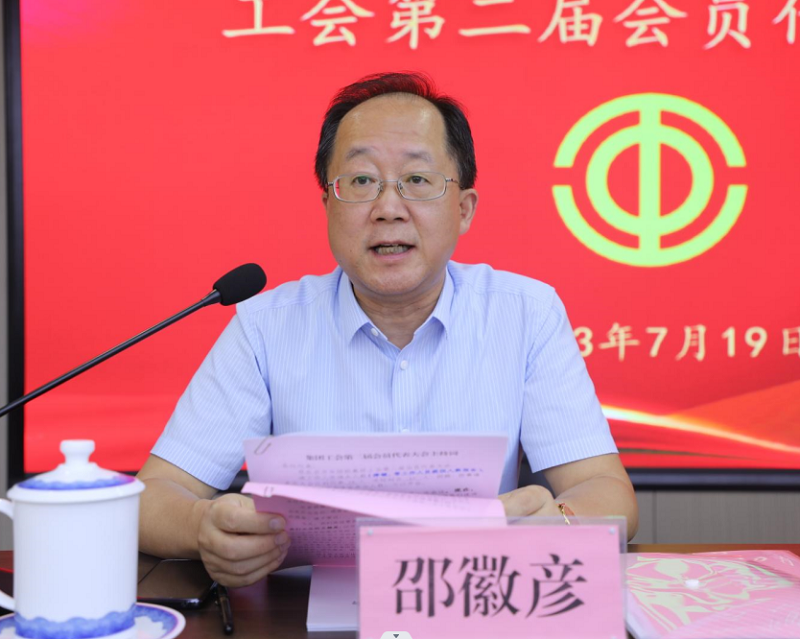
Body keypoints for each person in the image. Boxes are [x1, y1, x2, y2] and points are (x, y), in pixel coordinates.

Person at [137, 72, 638, 587]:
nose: (388, 209)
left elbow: (605, 488)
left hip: (475, 602)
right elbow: (152, 497)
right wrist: (203, 527)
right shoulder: (266, 327)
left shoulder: (525, 314)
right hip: (302, 612)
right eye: (360, 182)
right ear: (328, 206)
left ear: (463, 210)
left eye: (417, 180)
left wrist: (561, 523)